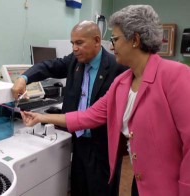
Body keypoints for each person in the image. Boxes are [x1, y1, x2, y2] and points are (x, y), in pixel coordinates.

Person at [20, 5, 190, 196]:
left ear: (134, 39)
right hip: (141, 182)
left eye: (115, 39)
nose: (111, 46)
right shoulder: (122, 83)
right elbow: (88, 117)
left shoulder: (176, 75)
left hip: (171, 187)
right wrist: (40, 117)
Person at [12, 21, 127, 196]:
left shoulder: (117, 66)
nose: (74, 48)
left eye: (79, 43)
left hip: (103, 146)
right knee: (78, 188)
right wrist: (24, 78)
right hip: (78, 141)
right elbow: (47, 66)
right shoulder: (74, 61)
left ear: (97, 40)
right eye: (72, 43)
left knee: (102, 191)